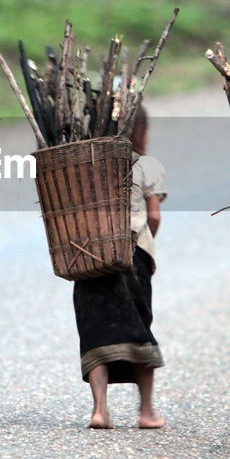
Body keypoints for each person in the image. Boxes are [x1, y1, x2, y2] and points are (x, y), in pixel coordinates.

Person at [73, 106, 166, 430]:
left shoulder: (85, 166)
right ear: (140, 132)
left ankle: (100, 410)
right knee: (137, 326)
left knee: (97, 330)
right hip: (132, 253)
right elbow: (153, 216)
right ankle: (147, 411)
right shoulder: (147, 166)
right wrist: (145, 244)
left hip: (88, 253)